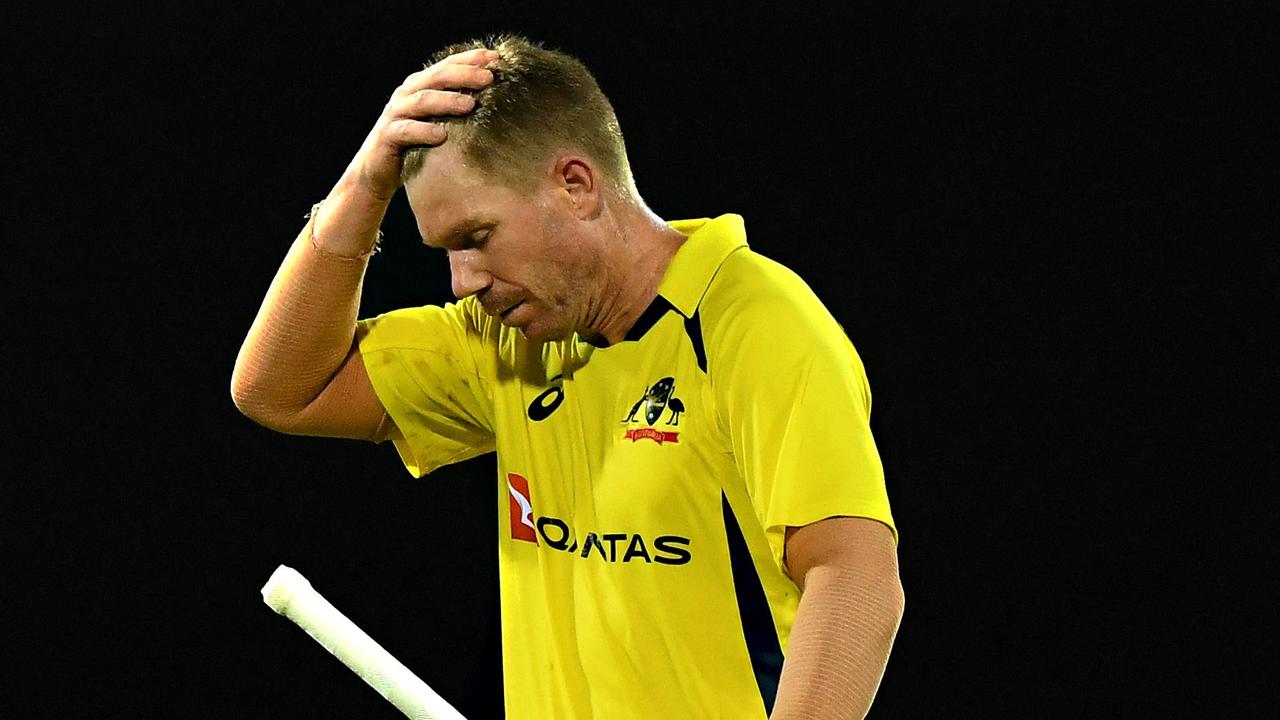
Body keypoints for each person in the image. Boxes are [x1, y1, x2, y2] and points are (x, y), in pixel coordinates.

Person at [232, 34, 903, 720]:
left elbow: (855, 578)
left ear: (575, 185)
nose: (463, 283)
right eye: (445, 251)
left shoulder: (754, 322)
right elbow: (281, 390)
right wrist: (360, 189)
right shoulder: (506, 343)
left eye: (475, 237)